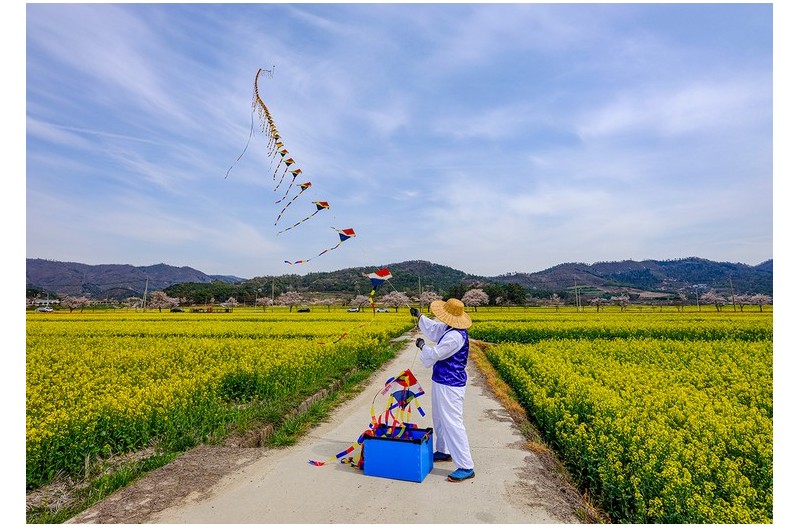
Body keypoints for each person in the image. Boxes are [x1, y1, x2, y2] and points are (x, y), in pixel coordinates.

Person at [410, 298, 475, 482]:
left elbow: (436, 353)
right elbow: (434, 329)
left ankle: (466, 465)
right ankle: (443, 450)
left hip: (451, 385)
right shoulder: (449, 328)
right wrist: (420, 316)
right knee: (439, 417)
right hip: (441, 381)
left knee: (452, 422)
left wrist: (423, 347)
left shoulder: (455, 336)